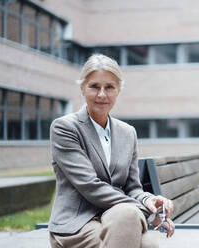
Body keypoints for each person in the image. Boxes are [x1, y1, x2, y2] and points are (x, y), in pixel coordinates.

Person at [48, 54, 175, 248]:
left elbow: (132, 187)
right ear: (82, 88)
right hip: (77, 223)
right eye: (94, 86)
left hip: (118, 219)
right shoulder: (65, 128)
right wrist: (150, 215)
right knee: (130, 218)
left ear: (118, 91)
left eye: (109, 87)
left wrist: (149, 200)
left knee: (147, 241)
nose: (101, 94)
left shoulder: (127, 132)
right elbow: (90, 185)